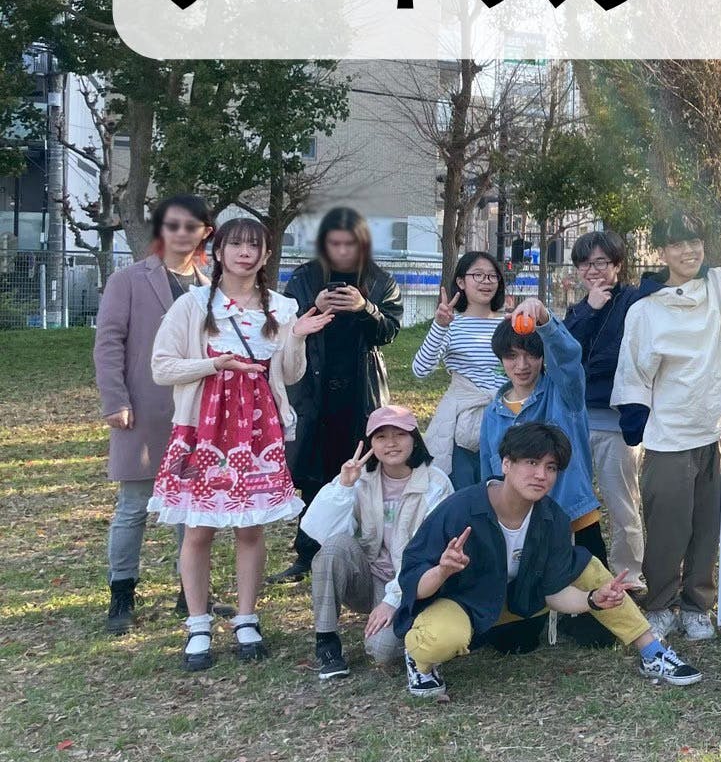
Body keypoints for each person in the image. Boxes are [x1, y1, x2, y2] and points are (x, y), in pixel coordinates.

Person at [394, 422, 702, 697]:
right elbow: (411, 582)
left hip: (517, 600)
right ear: (506, 463)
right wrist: (442, 570)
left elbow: (553, 591)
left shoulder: (551, 518)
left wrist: (593, 600)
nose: (541, 475)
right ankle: (419, 661)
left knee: (589, 567)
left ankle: (652, 651)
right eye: (531, 463)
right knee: (440, 639)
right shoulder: (460, 509)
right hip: (463, 603)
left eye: (551, 467)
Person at [149, 217, 334, 671]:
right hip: (202, 429)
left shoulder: (283, 307)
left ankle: (247, 618)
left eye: (255, 245)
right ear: (218, 252)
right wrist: (215, 365)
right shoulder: (193, 304)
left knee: (251, 528)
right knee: (199, 528)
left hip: (258, 430)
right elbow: (162, 367)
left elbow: (289, 374)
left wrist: (297, 336)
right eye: (235, 244)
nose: (245, 253)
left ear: (267, 254)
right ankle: (198, 624)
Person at [94, 194, 219, 633]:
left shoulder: (210, 288)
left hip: (195, 413)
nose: (181, 233)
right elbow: (108, 343)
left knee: (191, 507)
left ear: (205, 232)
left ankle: (191, 595)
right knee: (133, 506)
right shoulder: (128, 280)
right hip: (141, 410)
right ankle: (122, 593)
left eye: (191, 226)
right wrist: (115, 400)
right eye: (172, 225)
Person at [613, 211, 721, 643]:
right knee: (666, 527)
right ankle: (660, 603)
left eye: (694, 241)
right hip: (669, 436)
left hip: (715, 431)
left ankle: (698, 605)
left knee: (707, 526)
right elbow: (633, 373)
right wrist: (636, 424)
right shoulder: (646, 310)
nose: (688, 251)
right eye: (677, 244)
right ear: (661, 252)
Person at [273, 207, 405, 583]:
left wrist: (365, 308)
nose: (343, 251)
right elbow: (286, 326)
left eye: (350, 244)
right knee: (314, 473)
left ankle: (361, 550)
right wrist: (315, 306)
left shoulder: (380, 280)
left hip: (362, 389)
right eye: (335, 243)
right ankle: (306, 553)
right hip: (314, 388)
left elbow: (389, 332)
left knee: (362, 470)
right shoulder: (305, 276)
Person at [478, 296, 612, 646]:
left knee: (600, 633)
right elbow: (490, 473)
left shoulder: (564, 392)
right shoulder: (493, 412)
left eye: (531, 355)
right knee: (513, 642)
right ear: (501, 359)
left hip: (573, 512)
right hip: (524, 523)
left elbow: (568, 357)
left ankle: (581, 616)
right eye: (512, 356)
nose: (522, 365)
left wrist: (545, 322)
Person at [300, 404, 454, 680]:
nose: (391, 443)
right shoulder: (361, 477)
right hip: (369, 577)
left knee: (382, 651)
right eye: (381, 437)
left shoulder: (436, 483)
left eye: (400, 434)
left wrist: (392, 600)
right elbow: (321, 531)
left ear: (414, 439)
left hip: (414, 582)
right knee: (333, 548)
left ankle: (410, 623)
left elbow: (429, 552)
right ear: (370, 443)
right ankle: (326, 641)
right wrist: (344, 487)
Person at [565, 230, 661, 583]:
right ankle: (574, 574)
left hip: (617, 424)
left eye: (601, 262)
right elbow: (564, 349)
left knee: (622, 504)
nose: (592, 270)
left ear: (618, 265)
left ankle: (628, 577)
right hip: (576, 422)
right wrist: (589, 309)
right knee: (572, 502)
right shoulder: (580, 308)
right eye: (585, 264)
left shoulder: (633, 301)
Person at [412, 251, 507, 489]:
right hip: (463, 424)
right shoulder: (452, 325)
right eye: (478, 275)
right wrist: (439, 326)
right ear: (461, 282)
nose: (486, 281)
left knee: (502, 492)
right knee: (463, 494)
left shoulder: (509, 324)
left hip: (505, 419)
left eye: (492, 276)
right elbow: (420, 369)